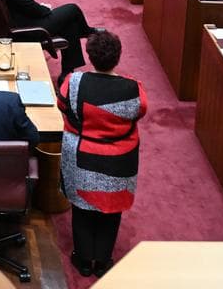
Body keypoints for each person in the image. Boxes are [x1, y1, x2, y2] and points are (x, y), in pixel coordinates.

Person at [58, 30, 145, 278]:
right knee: (111, 210)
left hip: (81, 154)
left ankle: (84, 261)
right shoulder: (134, 90)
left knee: (82, 209)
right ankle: (104, 261)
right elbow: (140, 112)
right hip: (119, 160)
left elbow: (62, 106)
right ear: (117, 57)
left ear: (90, 56)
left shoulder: (73, 82)